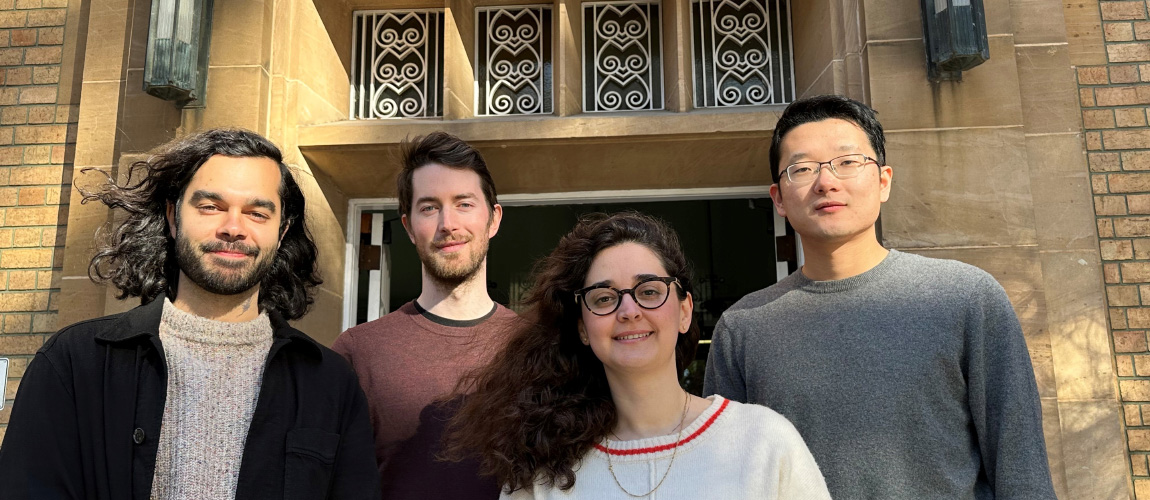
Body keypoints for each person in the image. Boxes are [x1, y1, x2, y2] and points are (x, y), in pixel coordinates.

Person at [703, 95, 1058, 499]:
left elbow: (1020, 467)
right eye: (802, 169)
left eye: (848, 162)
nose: (826, 182)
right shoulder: (743, 326)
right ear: (779, 198)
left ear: (884, 180)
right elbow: (729, 479)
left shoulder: (965, 298)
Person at [0, 129, 380, 499]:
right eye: (211, 207)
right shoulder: (74, 362)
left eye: (257, 213)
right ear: (172, 216)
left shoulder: (330, 384)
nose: (233, 228)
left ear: (281, 232)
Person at [447, 212, 831, 499]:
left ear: (684, 312)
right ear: (583, 328)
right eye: (603, 298)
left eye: (649, 291)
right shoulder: (544, 470)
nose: (628, 310)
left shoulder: (763, 441)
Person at [332, 132, 519, 499]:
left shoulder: (539, 345)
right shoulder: (360, 351)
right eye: (429, 207)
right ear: (408, 227)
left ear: (493, 219)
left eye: (464, 204)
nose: (447, 223)